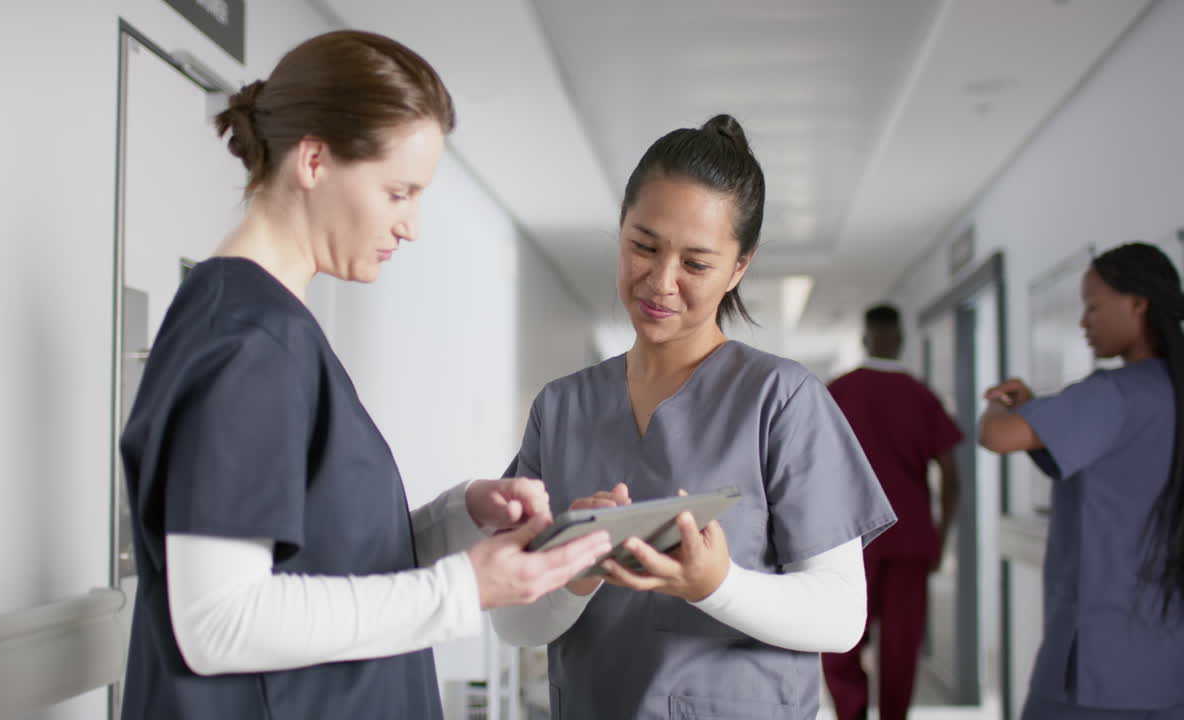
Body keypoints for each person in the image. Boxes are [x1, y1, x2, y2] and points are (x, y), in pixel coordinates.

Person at [117, 30, 611, 720]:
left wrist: (457, 517)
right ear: (314, 160)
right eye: (398, 192)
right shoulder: (248, 343)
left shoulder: (270, 329)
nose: (411, 225)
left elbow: (321, 558)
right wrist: (462, 589)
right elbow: (218, 622)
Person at [489, 114, 896, 720]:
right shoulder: (561, 408)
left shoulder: (782, 400)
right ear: (621, 229)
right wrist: (577, 573)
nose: (660, 281)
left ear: (739, 268)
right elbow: (513, 622)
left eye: (697, 264)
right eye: (643, 246)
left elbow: (841, 617)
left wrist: (716, 585)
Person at [979, 242, 1184, 719]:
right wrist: (1039, 411)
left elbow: (997, 435)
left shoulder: (1113, 393)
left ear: (1138, 304)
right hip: (1170, 658)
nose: (1083, 322)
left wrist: (998, 403)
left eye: (1093, 307)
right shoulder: (1163, 392)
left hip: (1102, 660)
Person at [821, 303, 963, 720]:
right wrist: (941, 539)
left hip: (850, 536)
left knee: (842, 635)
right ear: (900, 339)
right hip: (910, 537)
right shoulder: (921, 396)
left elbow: (812, 467)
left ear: (865, 339)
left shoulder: (838, 391)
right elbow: (952, 477)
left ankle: (851, 711)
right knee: (901, 643)